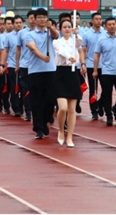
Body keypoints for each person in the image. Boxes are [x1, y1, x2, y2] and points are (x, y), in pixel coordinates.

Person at [24, 8, 59, 139]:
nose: (42, 19)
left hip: (51, 70)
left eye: (44, 17)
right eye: (39, 17)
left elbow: (56, 36)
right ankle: (38, 127)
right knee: (37, 100)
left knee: (50, 99)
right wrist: (42, 57)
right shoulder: (29, 34)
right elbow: (33, 48)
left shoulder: (50, 32)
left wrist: (51, 28)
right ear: (34, 19)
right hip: (35, 71)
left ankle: (44, 122)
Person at [52, 19, 85, 147]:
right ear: (60, 29)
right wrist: (69, 57)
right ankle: (61, 130)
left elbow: (79, 43)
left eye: (69, 27)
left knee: (72, 109)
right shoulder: (56, 42)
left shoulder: (74, 41)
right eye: (64, 27)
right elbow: (61, 51)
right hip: (61, 74)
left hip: (73, 74)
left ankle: (70, 136)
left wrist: (76, 34)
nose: (67, 29)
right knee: (63, 108)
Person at [94, 17, 116, 126]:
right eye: (109, 24)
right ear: (105, 26)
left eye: (114, 24)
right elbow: (97, 55)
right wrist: (95, 70)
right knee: (107, 95)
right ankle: (109, 116)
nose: (112, 26)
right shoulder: (101, 40)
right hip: (106, 71)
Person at [81, 12, 105, 120]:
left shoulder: (105, 33)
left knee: (106, 88)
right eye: (96, 19)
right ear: (92, 20)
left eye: (100, 19)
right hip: (91, 64)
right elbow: (84, 50)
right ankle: (94, 110)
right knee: (93, 89)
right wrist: (83, 63)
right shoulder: (87, 34)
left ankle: (100, 104)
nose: (99, 21)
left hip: (104, 65)